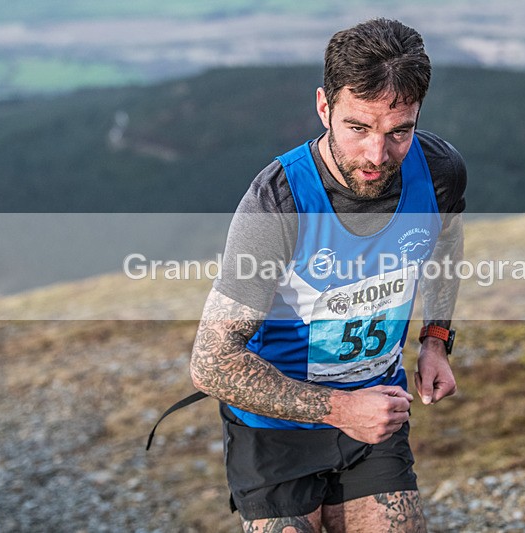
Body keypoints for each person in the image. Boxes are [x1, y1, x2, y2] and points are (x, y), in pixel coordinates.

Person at [189, 18, 466, 532]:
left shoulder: (440, 171)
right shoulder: (279, 201)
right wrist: (340, 409)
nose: (377, 155)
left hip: (377, 413)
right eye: (357, 128)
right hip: (275, 430)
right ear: (324, 107)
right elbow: (211, 364)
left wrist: (436, 339)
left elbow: (445, 240)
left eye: (398, 131)